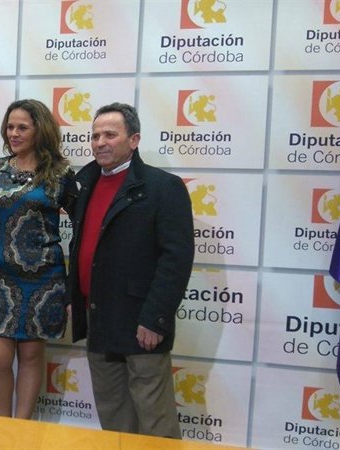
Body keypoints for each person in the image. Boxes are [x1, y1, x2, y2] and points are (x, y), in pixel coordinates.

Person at [67, 102, 194, 437]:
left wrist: (155, 319)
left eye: (110, 134)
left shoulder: (163, 187)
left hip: (141, 323)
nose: (100, 142)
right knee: (114, 419)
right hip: (98, 317)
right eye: (95, 135)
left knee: (156, 423)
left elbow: (176, 260)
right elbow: (81, 247)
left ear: (134, 140)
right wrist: (72, 297)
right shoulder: (85, 184)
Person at [0, 99, 76, 419]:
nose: (14, 133)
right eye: (10, 127)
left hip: (43, 280)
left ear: (40, 130)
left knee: (32, 357)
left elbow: (83, 225)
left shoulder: (60, 174)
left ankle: (21, 430)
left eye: (22, 127)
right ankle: (3, 426)